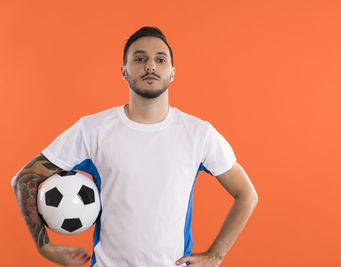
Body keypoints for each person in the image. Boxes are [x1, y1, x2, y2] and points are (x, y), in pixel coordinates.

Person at [11, 26, 258, 267]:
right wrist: (45, 246)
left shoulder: (199, 133)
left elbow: (246, 195)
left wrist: (216, 255)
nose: (150, 65)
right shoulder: (92, 129)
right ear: (124, 71)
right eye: (139, 58)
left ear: (172, 72)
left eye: (160, 59)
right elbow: (26, 177)